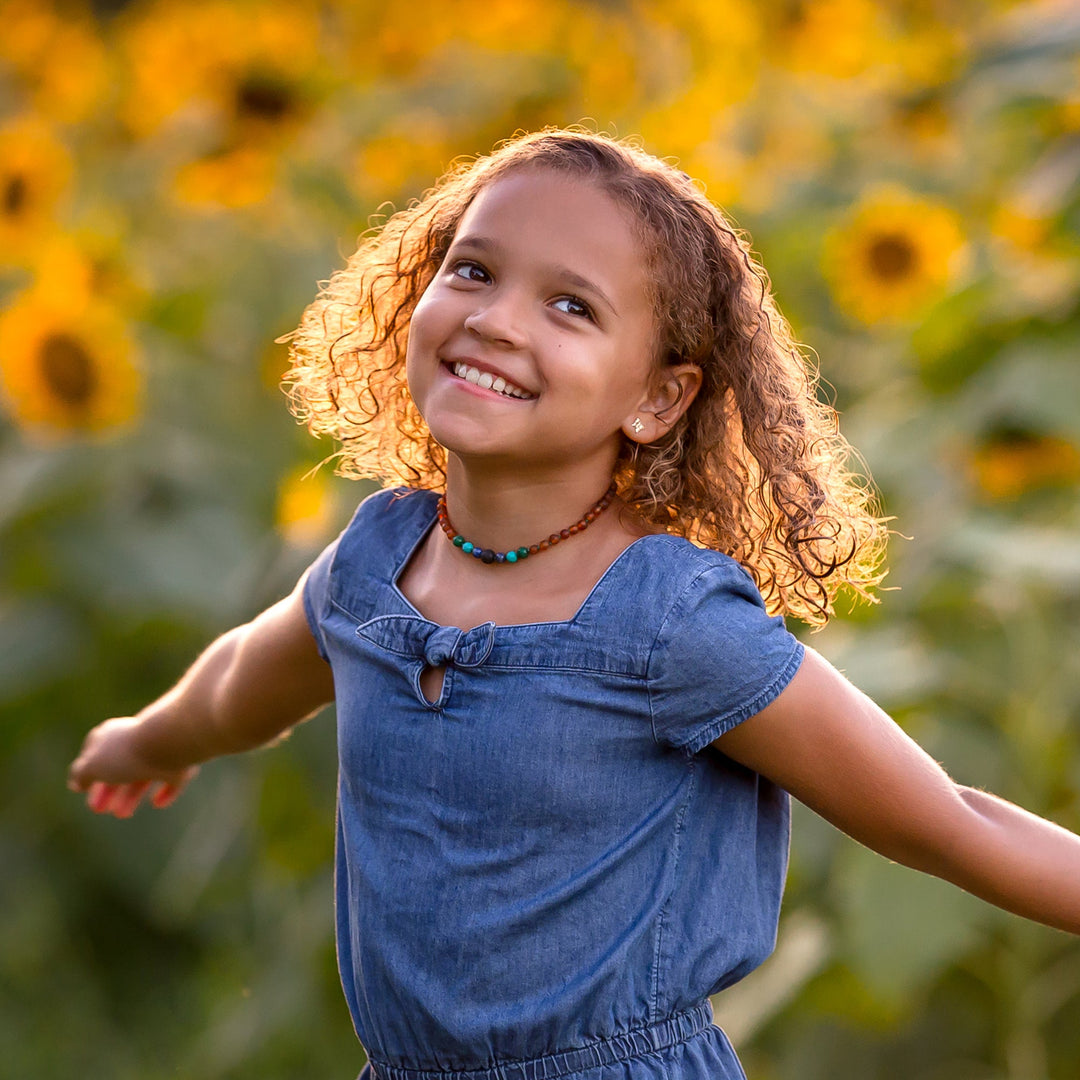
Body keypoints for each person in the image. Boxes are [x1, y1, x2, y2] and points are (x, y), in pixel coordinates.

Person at [68, 129, 1080, 1080]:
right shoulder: (373, 563)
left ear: (659, 400)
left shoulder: (670, 624)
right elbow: (246, 681)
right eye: (473, 269)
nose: (497, 319)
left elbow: (944, 821)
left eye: (571, 307)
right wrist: (150, 741)